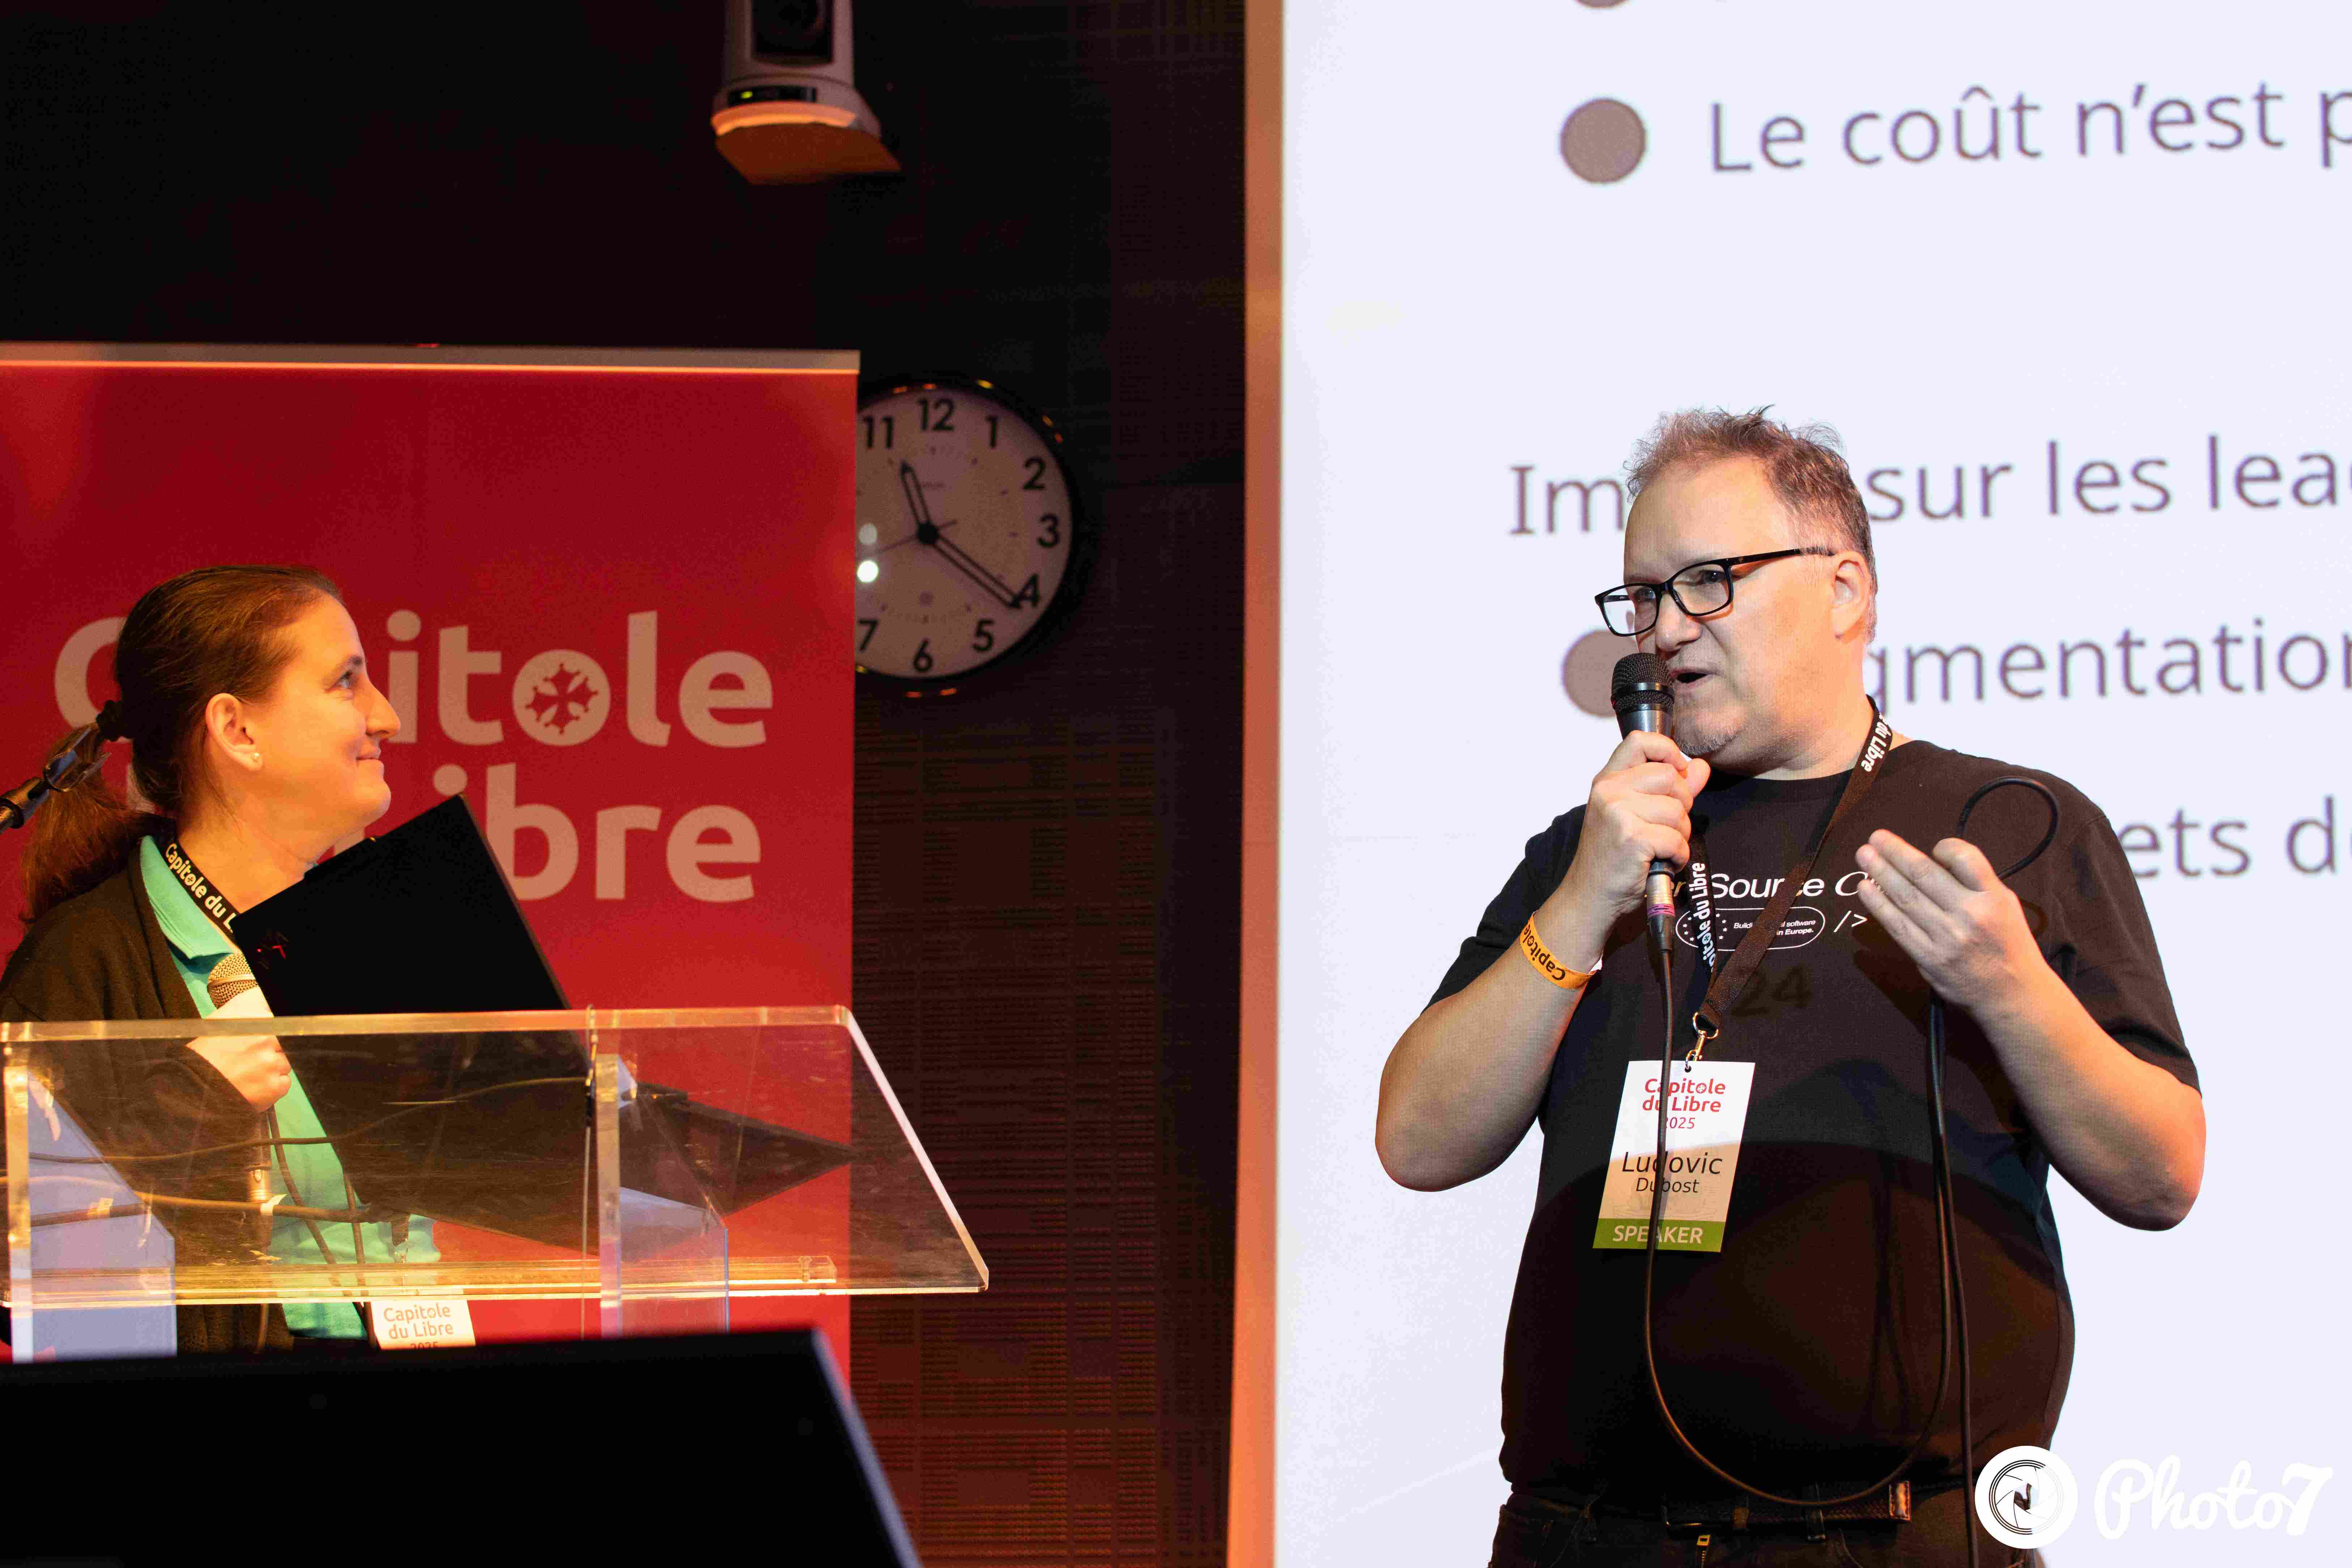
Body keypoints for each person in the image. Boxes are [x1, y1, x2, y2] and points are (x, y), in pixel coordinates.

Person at [1376, 412, 2204, 1566]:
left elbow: (2162, 1174)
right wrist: (1580, 906)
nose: (1666, 628)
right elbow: (1418, 1141)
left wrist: (2011, 988)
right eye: (1643, 596)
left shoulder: (2008, 825)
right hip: (1593, 1536)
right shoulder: (1596, 848)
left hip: (1894, 1538)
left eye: (1708, 582)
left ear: (1845, 590)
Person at [2, 564, 427, 1352]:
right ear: (238, 731)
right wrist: (192, 1100)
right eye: (346, 681)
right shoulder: (82, 960)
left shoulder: (384, 940)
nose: (388, 716)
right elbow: (21, 1258)